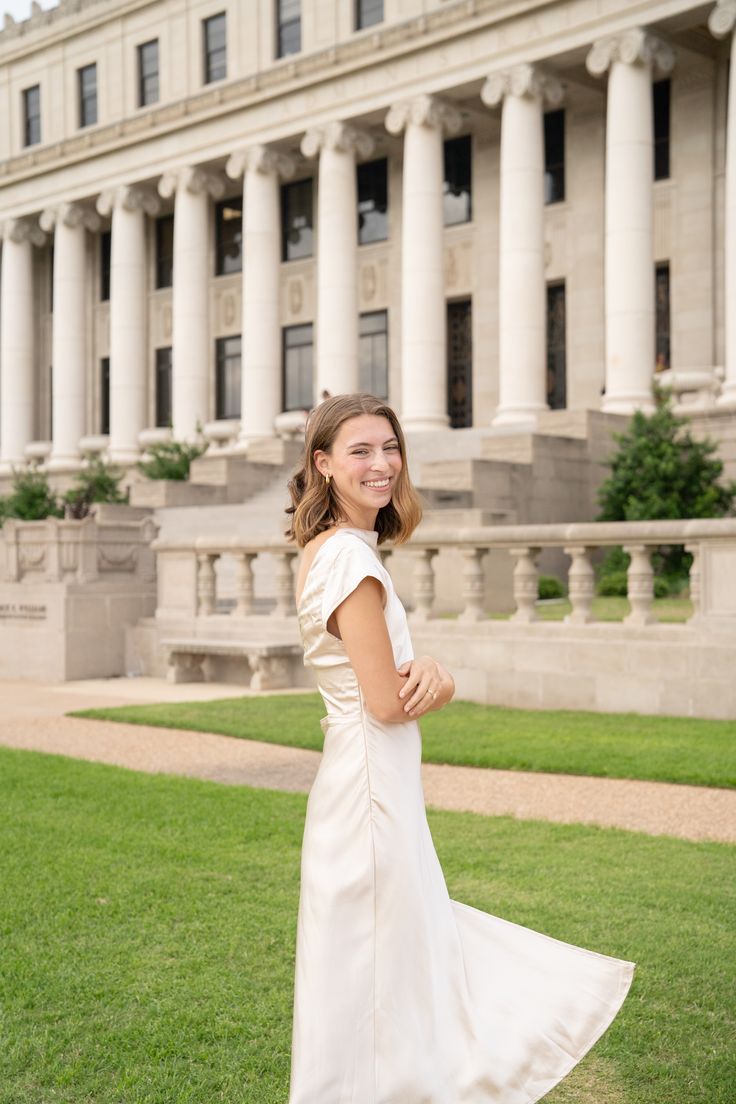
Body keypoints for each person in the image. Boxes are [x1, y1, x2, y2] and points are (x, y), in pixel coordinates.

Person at [285, 393, 634, 1103]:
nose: (382, 464)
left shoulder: (328, 551)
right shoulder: (349, 557)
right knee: (381, 964)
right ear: (322, 465)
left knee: (379, 966)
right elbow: (386, 700)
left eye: (390, 447)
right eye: (360, 451)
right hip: (369, 790)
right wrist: (439, 680)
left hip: (364, 781)